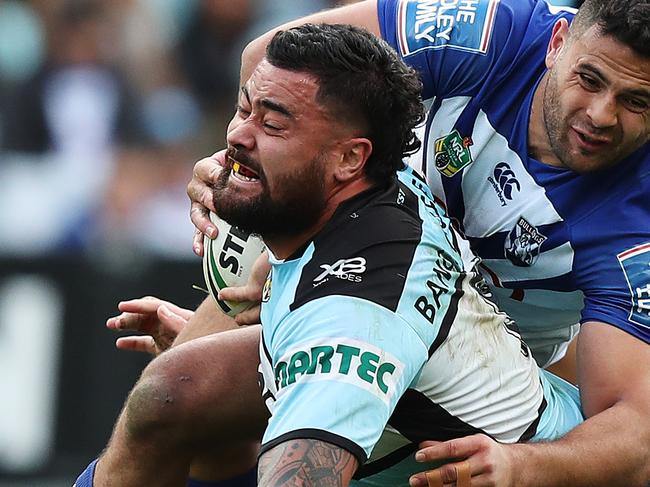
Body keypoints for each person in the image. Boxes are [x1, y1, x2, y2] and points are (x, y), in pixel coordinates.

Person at [75, 23, 585, 487]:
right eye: (244, 110)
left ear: (348, 159)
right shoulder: (382, 172)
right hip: (443, 419)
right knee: (172, 394)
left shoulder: (351, 318)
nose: (235, 137)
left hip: (516, 468)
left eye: (273, 126)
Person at [182, 0, 650, 485]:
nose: (601, 115)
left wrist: (521, 466)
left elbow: (635, 431)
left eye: (636, 101)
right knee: (178, 404)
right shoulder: (490, 34)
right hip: (355, 249)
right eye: (589, 79)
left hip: (473, 377)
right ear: (556, 43)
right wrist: (245, 173)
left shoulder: (639, 223)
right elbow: (269, 59)